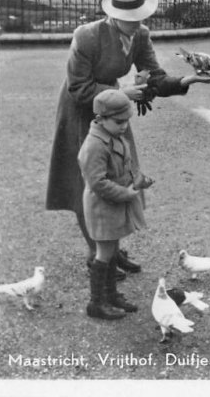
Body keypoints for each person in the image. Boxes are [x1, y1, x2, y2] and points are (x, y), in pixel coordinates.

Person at [46, 0, 210, 278]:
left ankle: (111, 249)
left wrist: (184, 81)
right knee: (91, 181)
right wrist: (123, 94)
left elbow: (155, 77)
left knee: (120, 174)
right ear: (113, 15)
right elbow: (78, 88)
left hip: (115, 108)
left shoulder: (140, 35)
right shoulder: (86, 36)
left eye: (139, 17)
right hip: (82, 110)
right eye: (129, 18)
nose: (136, 23)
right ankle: (97, 255)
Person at [78, 89, 153, 320]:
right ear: (100, 119)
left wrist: (138, 180)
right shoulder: (95, 146)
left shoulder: (114, 136)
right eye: (119, 121)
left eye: (126, 121)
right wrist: (127, 192)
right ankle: (97, 303)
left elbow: (126, 165)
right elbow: (98, 183)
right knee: (103, 253)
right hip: (103, 208)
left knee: (111, 251)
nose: (124, 126)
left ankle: (111, 295)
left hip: (114, 205)